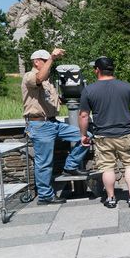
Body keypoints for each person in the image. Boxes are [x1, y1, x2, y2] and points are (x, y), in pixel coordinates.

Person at [78, 57, 130, 209]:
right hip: (124, 134)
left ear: (97, 70)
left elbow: (84, 115)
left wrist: (83, 135)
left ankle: (111, 199)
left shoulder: (89, 90)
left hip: (102, 136)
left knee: (107, 167)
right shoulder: (125, 86)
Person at [21, 48, 89, 205]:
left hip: (53, 123)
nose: (48, 65)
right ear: (36, 62)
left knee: (85, 136)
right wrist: (52, 57)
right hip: (39, 124)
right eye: (45, 62)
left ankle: (70, 166)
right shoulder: (30, 76)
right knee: (44, 163)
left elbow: (54, 99)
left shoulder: (47, 81)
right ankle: (45, 196)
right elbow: (39, 77)